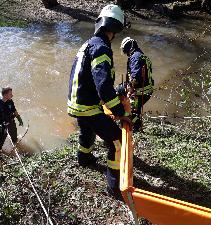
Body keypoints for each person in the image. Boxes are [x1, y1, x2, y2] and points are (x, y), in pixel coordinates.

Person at [67, 4, 130, 199]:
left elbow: (93, 79)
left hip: (76, 104)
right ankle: (114, 187)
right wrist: (120, 111)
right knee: (117, 141)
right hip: (88, 106)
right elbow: (102, 86)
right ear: (113, 30)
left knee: (87, 132)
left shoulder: (88, 44)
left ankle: (84, 159)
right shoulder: (102, 48)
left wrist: (116, 90)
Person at [119, 37, 154, 132]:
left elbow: (135, 77)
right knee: (119, 90)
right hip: (145, 90)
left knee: (133, 111)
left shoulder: (135, 57)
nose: (126, 54)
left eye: (125, 51)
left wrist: (130, 91)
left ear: (128, 48)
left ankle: (136, 128)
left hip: (140, 92)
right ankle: (134, 124)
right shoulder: (141, 55)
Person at [0, 87, 23, 151]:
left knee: (14, 139)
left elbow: (14, 110)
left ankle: (15, 149)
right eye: (10, 94)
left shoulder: (10, 101)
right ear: (5, 95)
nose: (12, 95)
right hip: (2, 126)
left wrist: (19, 118)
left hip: (12, 123)